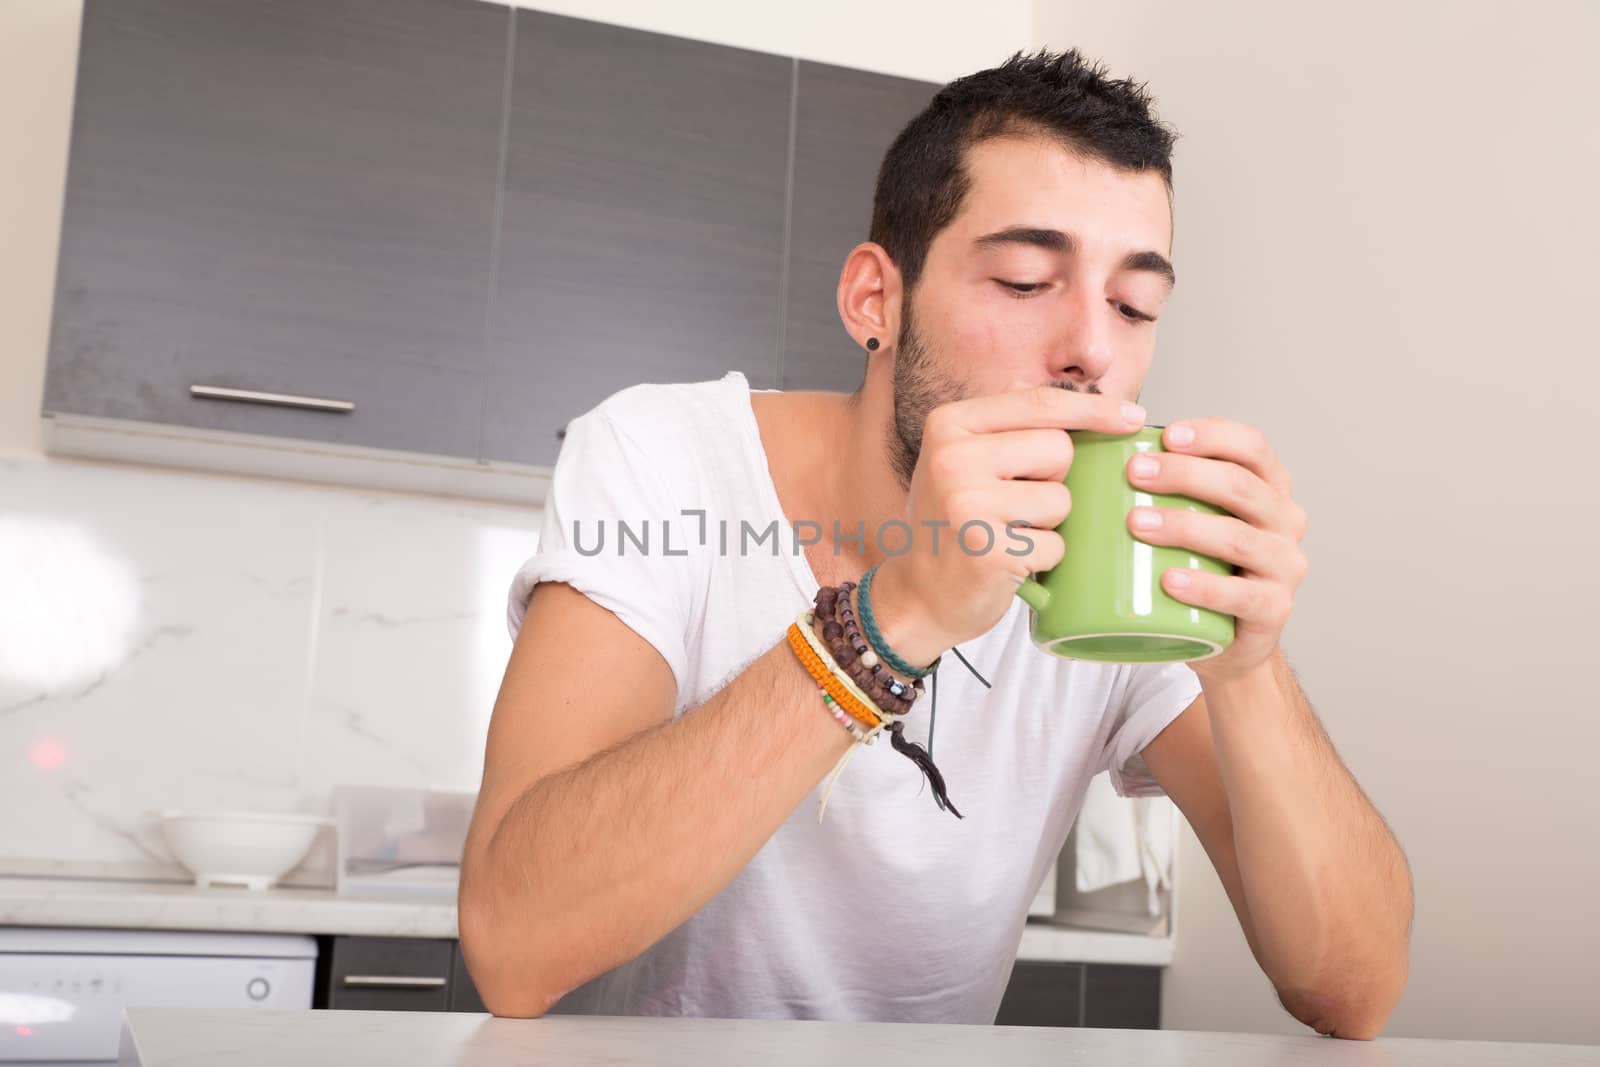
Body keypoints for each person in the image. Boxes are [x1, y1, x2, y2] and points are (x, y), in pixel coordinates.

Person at [458, 47, 1412, 1039]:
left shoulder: (1115, 555)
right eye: (1025, 278)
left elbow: (1354, 989)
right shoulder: (662, 456)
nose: (1092, 348)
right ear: (876, 299)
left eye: (1134, 305)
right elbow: (511, 943)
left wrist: (1244, 663)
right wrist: (893, 617)